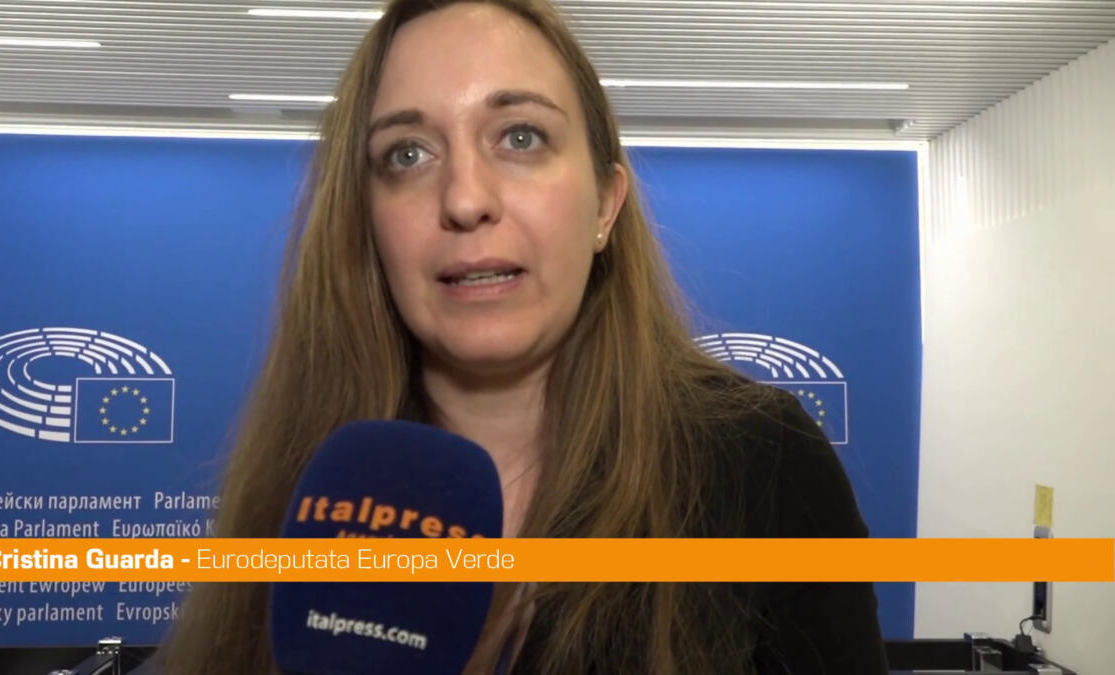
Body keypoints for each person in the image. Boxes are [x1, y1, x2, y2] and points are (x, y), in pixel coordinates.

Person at [158, 0, 889, 673]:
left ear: (605, 205)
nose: (465, 199)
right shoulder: (308, 486)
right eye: (407, 153)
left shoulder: (762, 462)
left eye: (520, 136)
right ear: (366, 221)